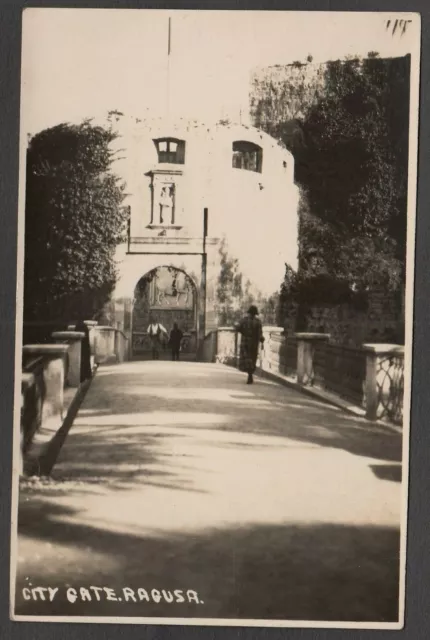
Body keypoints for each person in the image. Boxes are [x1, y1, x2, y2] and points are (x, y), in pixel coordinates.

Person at [236, 305, 265, 384]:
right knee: (253, 358)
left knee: (247, 358)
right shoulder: (258, 322)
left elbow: (237, 328)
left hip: (245, 341)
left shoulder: (243, 320)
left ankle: (249, 374)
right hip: (254, 342)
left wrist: (243, 332)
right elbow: (260, 333)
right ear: (255, 313)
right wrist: (261, 340)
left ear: (249, 312)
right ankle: (250, 374)